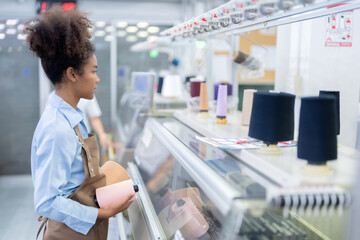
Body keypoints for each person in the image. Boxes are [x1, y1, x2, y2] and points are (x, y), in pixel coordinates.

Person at [26, 7, 134, 239]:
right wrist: (103, 213)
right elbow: (46, 202)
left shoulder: (71, 117)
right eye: (93, 71)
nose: (97, 78)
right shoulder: (57, 129)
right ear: (72, 74)